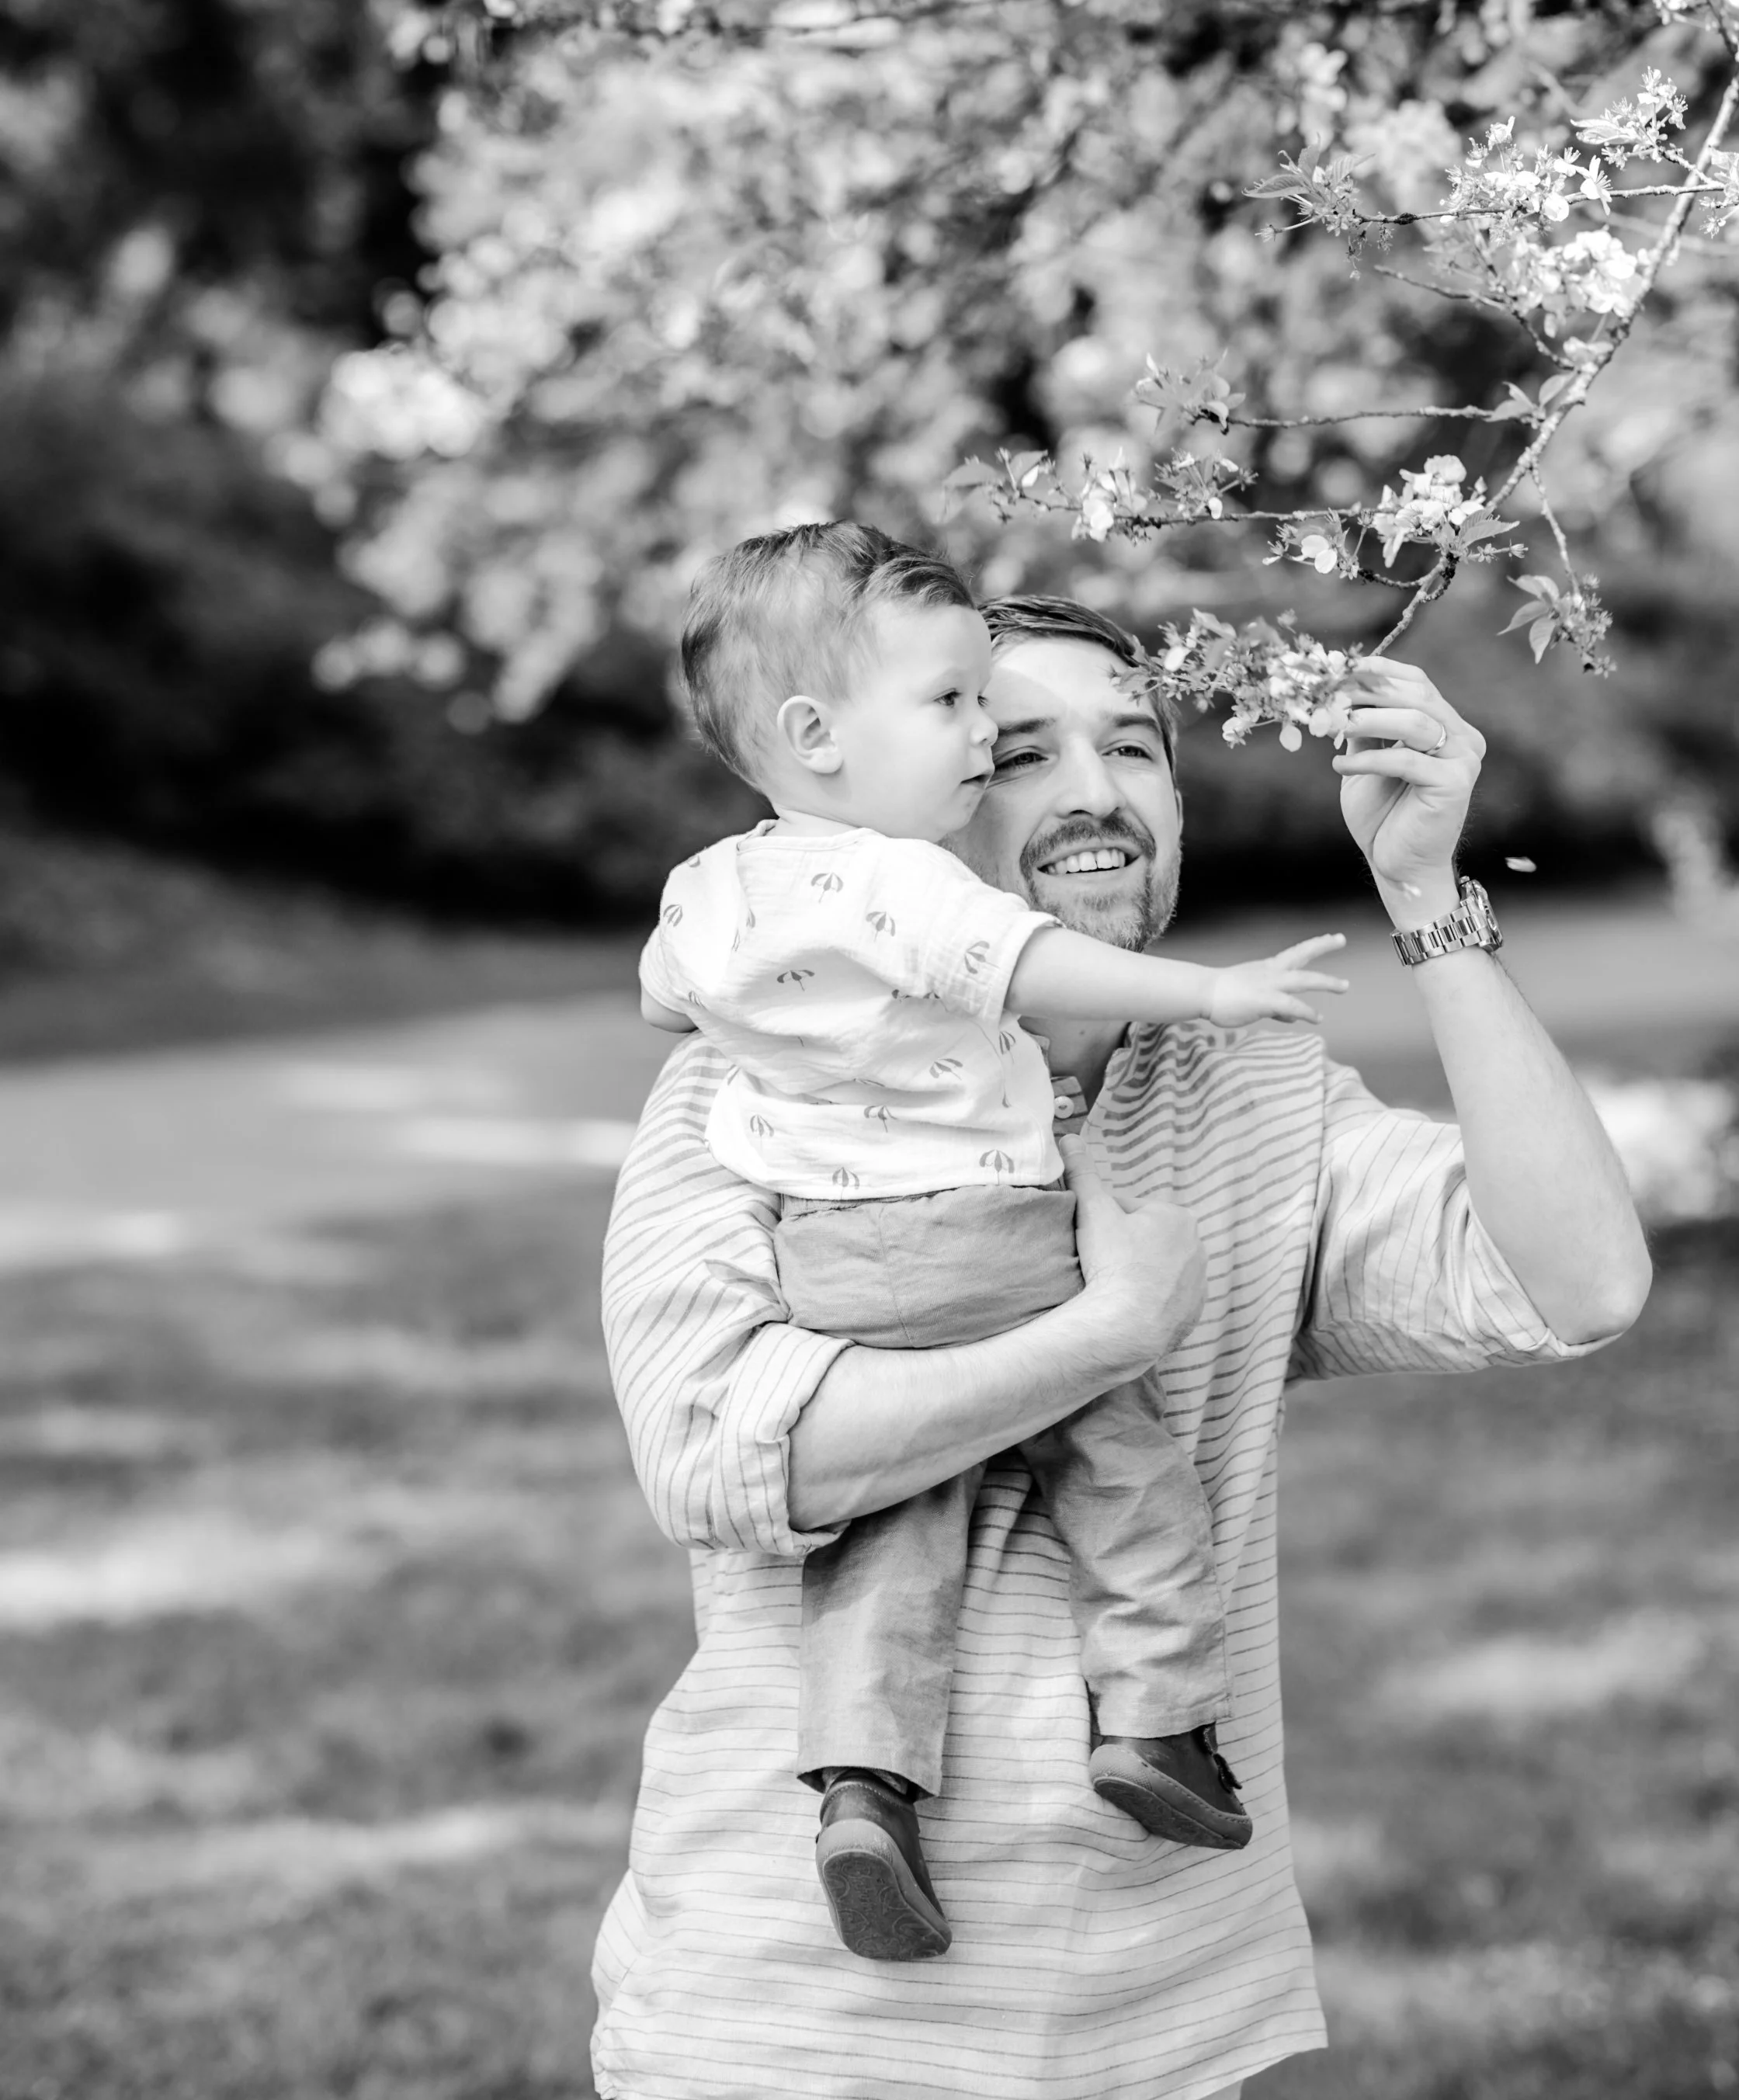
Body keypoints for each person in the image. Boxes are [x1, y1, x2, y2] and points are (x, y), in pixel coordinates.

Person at [594, 591, 1649, 2100]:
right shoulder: (752, 1094)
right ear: (897, 806)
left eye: (1133, 747)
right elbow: (718, 1456)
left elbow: (1579, 1281)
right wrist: (1109, 1333)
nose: (1093, 792)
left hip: (1156, 2020)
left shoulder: (1246, 1092)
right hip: (800, 2022)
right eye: (1016, 748)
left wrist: (1430, 900)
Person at [637, 524, 1348, 1962]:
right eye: (966, 715)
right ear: (818, 734)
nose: (973, 741)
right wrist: (1210, 992)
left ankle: (862, 1790)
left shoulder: (715, 888)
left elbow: (670, 997)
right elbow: (1031, 964)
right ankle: (1156, 1723)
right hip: (991, 1235)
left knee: (894, 1536)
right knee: (1127, 1471)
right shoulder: (905, 883)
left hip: (835, 1267)